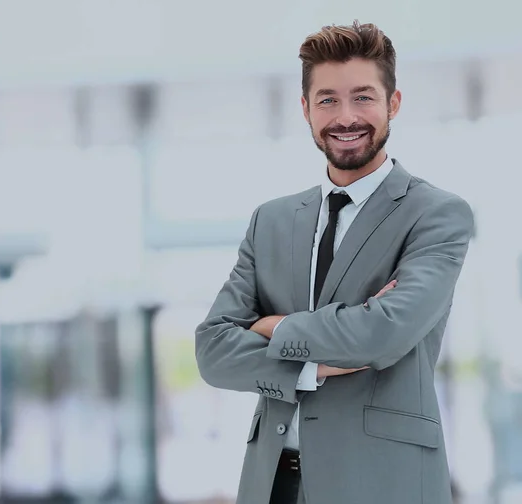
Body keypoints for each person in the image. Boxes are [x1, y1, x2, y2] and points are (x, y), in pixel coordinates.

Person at [194, 20, 474, 504]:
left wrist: (273, 327)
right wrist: (311, 367)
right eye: (327, 100)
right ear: (306, 109)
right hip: (273, 483)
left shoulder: (436, 214)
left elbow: (383, 334)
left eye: (363, 97)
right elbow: (213, 350)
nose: (346, 117)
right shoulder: (271, 221)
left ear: (394, 103)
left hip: (383, 483)